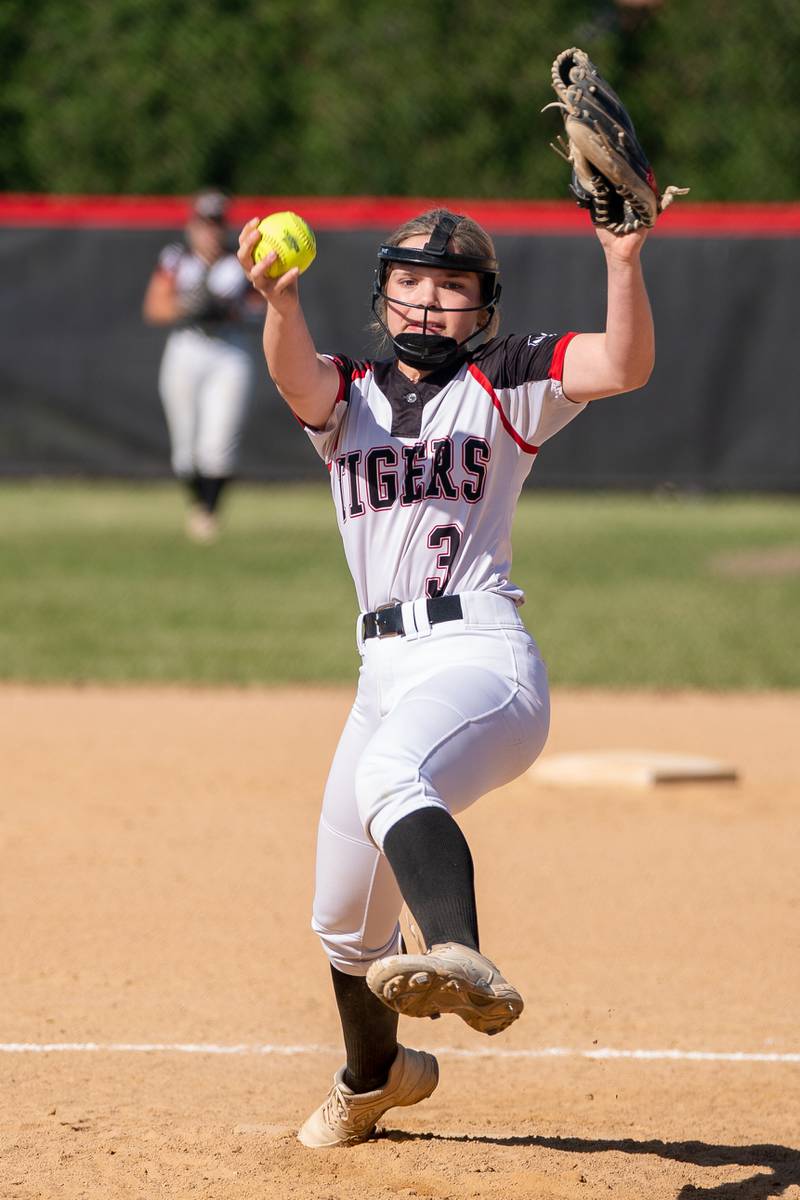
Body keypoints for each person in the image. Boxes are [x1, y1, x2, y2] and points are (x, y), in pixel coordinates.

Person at [237, 206, 654, 1147]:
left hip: (479, 658)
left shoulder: (506, 378)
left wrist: (621, 259)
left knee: (392, 778)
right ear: (383, 293)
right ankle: (375, 1077)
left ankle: (459, 950)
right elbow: (291, 373)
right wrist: (279, 296)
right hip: (380, 669)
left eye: (452, 286)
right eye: (412, 282)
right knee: (342, 920)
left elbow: (623, 366)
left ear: (481, 305)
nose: (428, 302)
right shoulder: (348, 391)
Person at [142, 189, 262, 542]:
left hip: (229, 348)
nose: (210, 232)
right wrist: (188, 307)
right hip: (188, 345)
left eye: (216, 224)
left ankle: (208, 514)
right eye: (204, 224)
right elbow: (154, 308)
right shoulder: (177, 258)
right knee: (185, 449)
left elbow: (261, 307)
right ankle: (198, 505)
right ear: (192, 226)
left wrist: (235, 309)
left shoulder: (239, 261)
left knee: (220, 442)